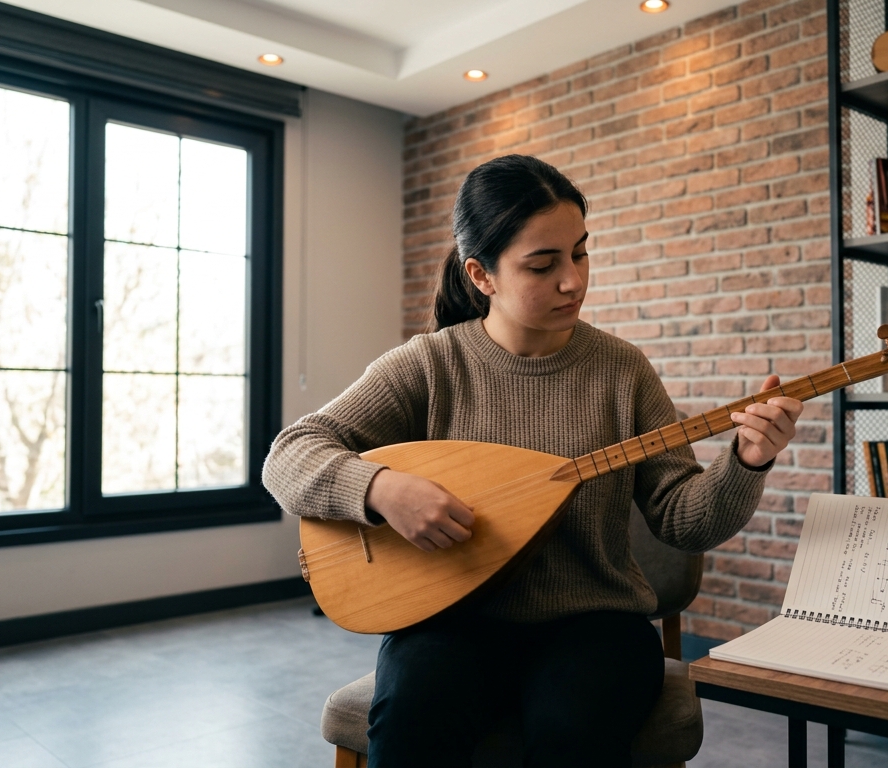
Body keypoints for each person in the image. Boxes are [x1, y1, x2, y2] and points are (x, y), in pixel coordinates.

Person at [262, 154, 803, 767]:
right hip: (450, 617)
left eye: (581, 253)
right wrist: (381, 489)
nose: (573, 281)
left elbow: (684, 521)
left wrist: (747, 462)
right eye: (543, 265)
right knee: (414, 724)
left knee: (571, 735)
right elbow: (289, 454)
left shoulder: (621, 370)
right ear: (482, 274)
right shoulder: (432, 364)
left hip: (595, 622)